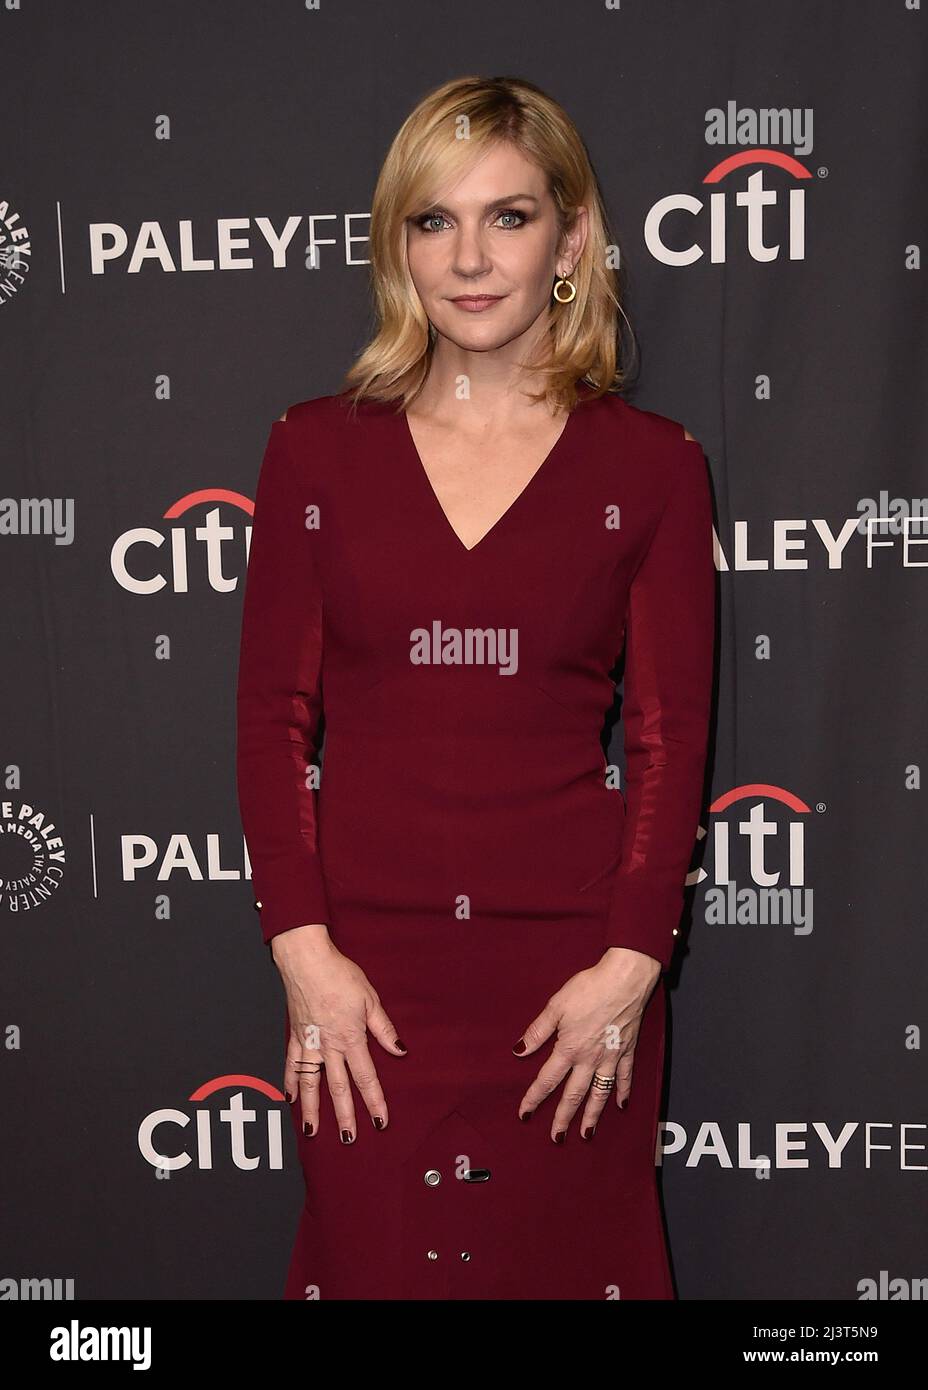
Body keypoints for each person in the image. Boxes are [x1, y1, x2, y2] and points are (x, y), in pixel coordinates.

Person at [236, 74, 716, 1300]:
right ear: (397, 246)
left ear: (569, 237)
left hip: (570, 985)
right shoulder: (314, 449)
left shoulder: (652, 467)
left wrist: (628, 970)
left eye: (506, 217)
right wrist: (304, 955)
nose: (469, 257)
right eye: (432, 220)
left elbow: (667, 737)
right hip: (364, 987)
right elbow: (271, 717)